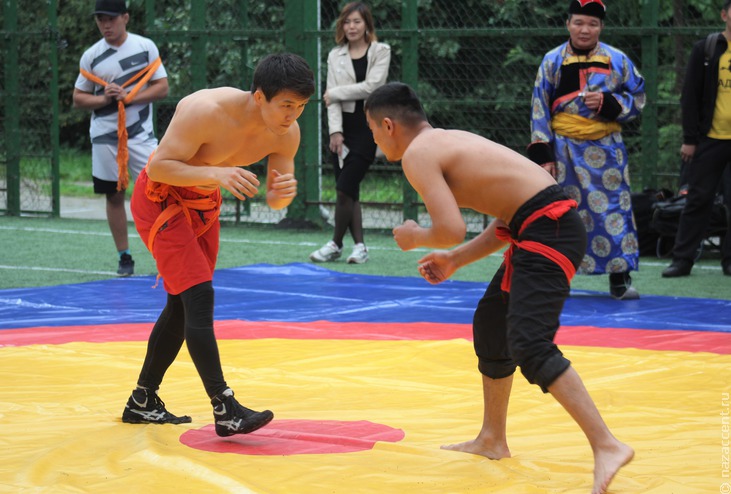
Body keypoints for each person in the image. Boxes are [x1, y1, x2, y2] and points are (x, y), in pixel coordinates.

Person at [365, 82, 633, 494]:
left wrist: (415, 236)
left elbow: (451, 227)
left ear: (388, 124)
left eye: (372, 131)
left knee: (529, 342)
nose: (374, 140)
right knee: (492, 324)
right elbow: (510, 217)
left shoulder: (419, 153)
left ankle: (607, 444)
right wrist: (454, 260)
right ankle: (492, 439)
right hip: (539, 225)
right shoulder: (446, 141)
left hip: (551, 229)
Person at [121, 53, 315, 437]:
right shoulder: (204, 109)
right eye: (287, 105)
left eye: (302, 107)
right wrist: (216, 172)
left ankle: (142, 400)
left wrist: (281, 194)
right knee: (198, 295)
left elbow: (276, 202)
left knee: (182, 302)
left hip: (203, 204)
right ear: (259, 97)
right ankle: (225, 406)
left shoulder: (287, 133)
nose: (293, 115)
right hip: (161, 197)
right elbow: (158, 166)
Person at [528, 0, 646, 300]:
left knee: (614, 210)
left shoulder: (618, 60)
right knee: (562, 214)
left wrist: (610, 105)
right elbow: (539, 108)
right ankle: (558, 275)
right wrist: (543, 156)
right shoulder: (552, 61)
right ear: (568, 24)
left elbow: (639, 97)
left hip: (607, 151)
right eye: (579, 22)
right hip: (564, 151)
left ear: (601, 27)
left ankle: (620, 277)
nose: (585, 29)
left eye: (592, 24)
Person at [73, 0, 169, 276]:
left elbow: (162, 87)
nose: (106, 25)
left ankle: (167, 254)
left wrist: (131, 97)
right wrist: (104, 98)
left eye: (111, 19)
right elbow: (78, 98)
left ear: (125, 18)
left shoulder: (145, 47)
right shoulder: (91, 55)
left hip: (140, 136)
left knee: (159, 192)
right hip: (105, 136)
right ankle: (124, 257)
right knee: (114, 196)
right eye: (100, 19)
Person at [309, 1, 390, 264]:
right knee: (348, 189)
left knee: (345, 187)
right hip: (342, 129)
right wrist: (335, 131)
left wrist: (334, 93)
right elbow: (331, 101)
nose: (351, 26)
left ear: (367, 24)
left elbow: (373, 87)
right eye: (347, 21)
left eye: (357, 21)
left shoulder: (381, 51)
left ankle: (335, 243)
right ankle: (360, 247)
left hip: (368, 128)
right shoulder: (335, 55)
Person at [662, 0, 731, 278]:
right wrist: (690, 138)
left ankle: (729, 261)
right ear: (725, 14)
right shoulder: (707, 49)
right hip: (709, 140)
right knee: (697, 200)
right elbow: (690, 96)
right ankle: (682, 259)